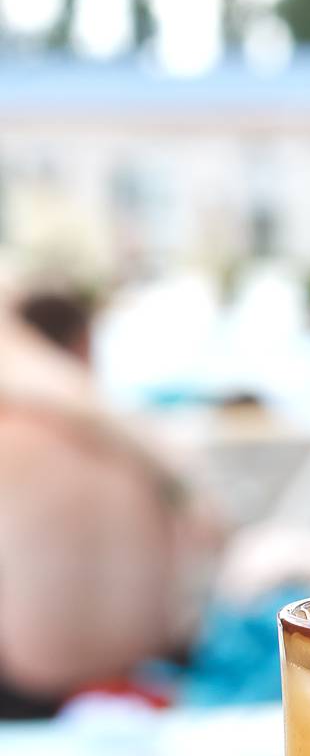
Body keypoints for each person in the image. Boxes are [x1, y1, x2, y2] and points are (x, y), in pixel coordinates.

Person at [0, 287, 217, 717]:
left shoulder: (16, 428)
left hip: (31, 695)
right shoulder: (135, 439)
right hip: (147, 671)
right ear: (83, 345)